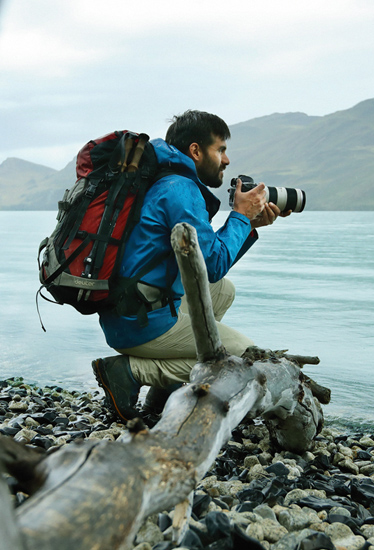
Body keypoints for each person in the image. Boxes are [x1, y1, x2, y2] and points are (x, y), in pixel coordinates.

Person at [91, 110, 288, 422]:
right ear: (196, 150)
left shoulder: (167, 182)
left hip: (128, 309)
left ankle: (165, 386)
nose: (226, 160)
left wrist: (248, 224)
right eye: (220, 150)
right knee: (246, 359)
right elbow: (212, 263)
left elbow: (208, 267)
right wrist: (238, 214)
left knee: (222, 291)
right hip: (140, 323)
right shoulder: (180, 190)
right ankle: (129, 371)